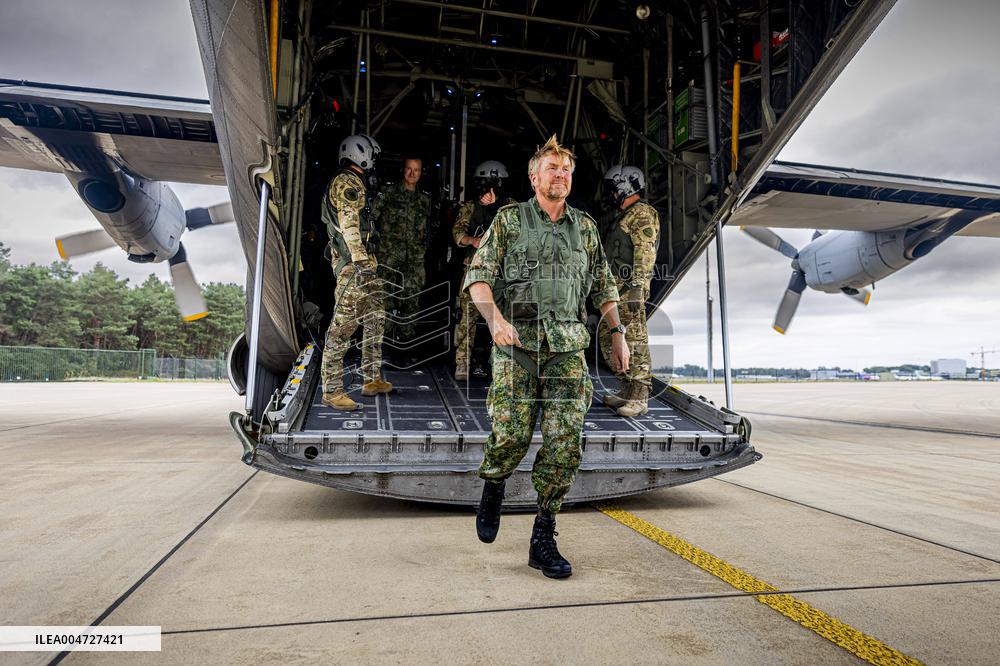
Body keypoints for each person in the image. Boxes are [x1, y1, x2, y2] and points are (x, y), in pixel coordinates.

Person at [463, 136, 630, 579]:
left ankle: (543, 536)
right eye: (552, 168)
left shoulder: (586, 228)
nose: (561, 174)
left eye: (567, 169)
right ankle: (494, 483)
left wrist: (617, 335)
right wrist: (495, 320)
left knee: (564, 445)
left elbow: (603, 286)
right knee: (511, 437)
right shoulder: (510, 221)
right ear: (534, 177)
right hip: (517, 347)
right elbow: (477, 277)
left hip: (567, 350)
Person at [319, 134, 393, 410]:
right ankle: (332, 390)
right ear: (362, 155)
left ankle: (371, 378)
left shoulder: (357, 182)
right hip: (354, 267)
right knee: (342, 328)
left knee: (376, 319)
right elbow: (349, 225)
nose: (375, 161)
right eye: (372, 155)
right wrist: (361, 263)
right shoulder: (348, 183)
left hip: (365, 265)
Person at [598, 165, 660, 417]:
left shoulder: (641, 213)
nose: (611, 195)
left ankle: (640, 395)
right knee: (609, 339)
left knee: (634, 341)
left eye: (614, 189)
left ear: (624, 186)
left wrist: (638, 287)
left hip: (628, 290)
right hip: (613, 291)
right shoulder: (624, 215)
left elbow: (645, 252)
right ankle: (625, 389)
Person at [451, 160, 515, 380]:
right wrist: (473, 240)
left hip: (503, 274)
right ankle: (462, 363)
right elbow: (458, 234)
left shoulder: (511, 207)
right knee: (467, 318)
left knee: (504, 318)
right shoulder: (470, 206)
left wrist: (496, 207)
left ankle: (500, 362)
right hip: (475, 271)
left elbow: (519, 231)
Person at [372, 157, 431, 344]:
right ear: (403, 170)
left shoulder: (424, 199)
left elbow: (427, 229)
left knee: (411, 299)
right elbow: (372, 216)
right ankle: (384, 342)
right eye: (409, 169)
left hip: (414, 258)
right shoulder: (388, 192)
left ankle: (406, 342)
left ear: (421, 173)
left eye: (417, 170)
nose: (412, 174)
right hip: (388, 255)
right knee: (384, 298)